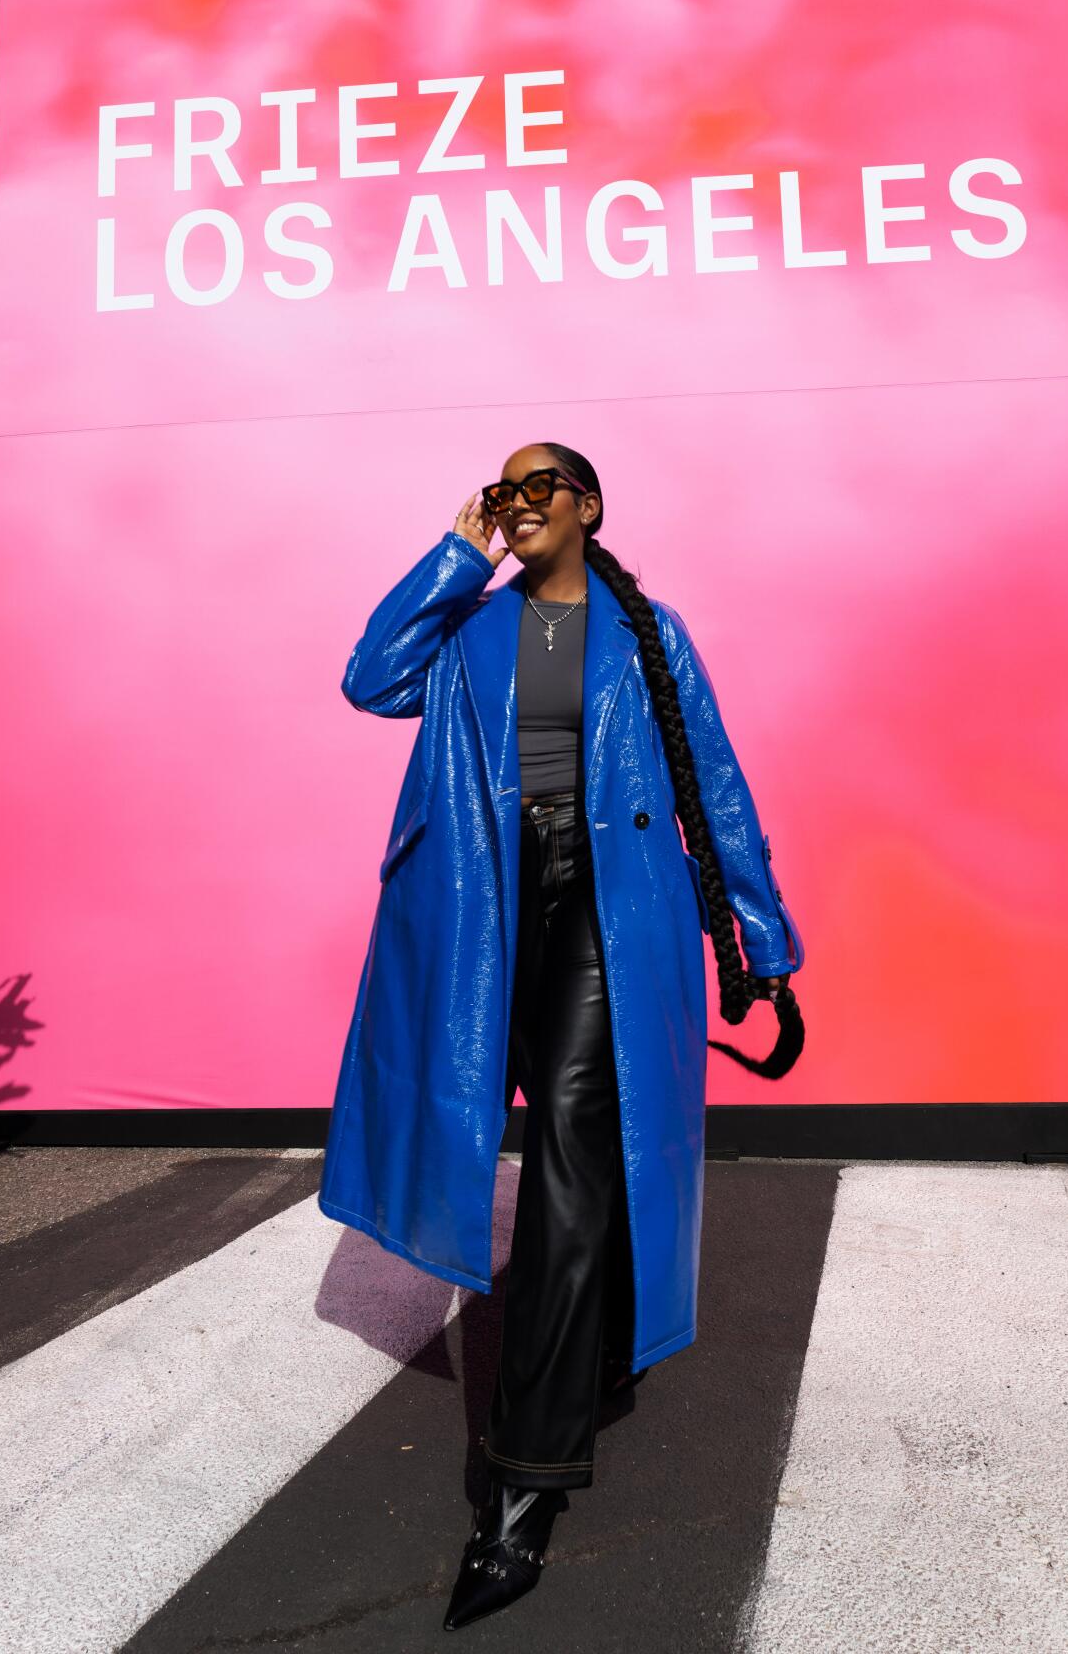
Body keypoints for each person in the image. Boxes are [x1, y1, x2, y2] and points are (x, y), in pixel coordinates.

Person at [317, 443, 805, 1632]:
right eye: (505, 489)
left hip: (608, 918)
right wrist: (456, 549)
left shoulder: (649, 631)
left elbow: (714, 781)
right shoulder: (468, 629)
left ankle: (523, 1489)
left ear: (588, 506)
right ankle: (594, 1354)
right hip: (487, 919)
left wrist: (762, 938)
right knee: (571, 1165)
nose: (520, 502)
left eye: (542, 487)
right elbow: (367, 679)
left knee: (576, 1175)